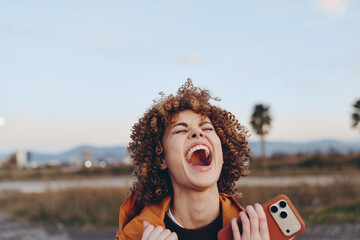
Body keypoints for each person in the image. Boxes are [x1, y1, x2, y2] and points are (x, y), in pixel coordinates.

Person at [115, 79, 269, 240]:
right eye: (180, 130)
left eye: (207, 128)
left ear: (222, 154)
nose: (197, 132)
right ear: (161, 158)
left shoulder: (258, 231)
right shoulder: (135, 235)